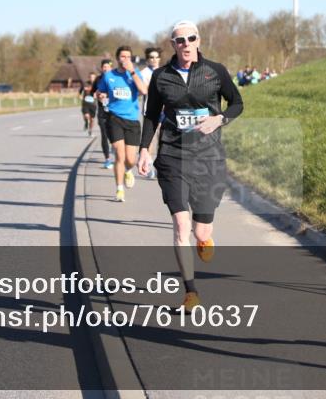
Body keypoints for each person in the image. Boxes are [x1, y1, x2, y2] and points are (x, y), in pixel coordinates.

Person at [138, 21, 243, 311]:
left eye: (190, 38)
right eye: (180, 40)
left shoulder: (215, 71)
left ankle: (204, 239)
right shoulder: (161, 76)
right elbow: (151, 115)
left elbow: (237, 103)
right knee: (181, 225)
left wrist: (219, 119)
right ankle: (190, 291)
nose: (186, 44)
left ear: (198, 40)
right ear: (173, 44)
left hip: (208, 158)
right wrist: (144, 149)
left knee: (201, 232)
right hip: (172, 155)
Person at [96, 46, 148, 202]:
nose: (125, 59)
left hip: (131, 120)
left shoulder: (135, 73)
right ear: (117, 58)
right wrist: (101, 95)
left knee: (130, 160)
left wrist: (132, 71)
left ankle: (128, 171)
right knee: (119, 154)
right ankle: (119, 189)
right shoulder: (109, 76)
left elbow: (144, 90)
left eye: (128, 57)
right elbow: (99, 92)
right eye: (123, 56)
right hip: (114, 118)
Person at [139, 47, 163, 180]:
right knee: (150, 143)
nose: (154, 60)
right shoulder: (143, 73)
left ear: (159, 58)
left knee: (163, 142)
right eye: (151, 57)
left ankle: (160, 168)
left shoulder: (165, 71)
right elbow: (144, 90)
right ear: (147, 59)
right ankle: (149, 167)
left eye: (156, 57)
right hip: (150, 112)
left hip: (165, 112)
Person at [91, 59, 114, 169]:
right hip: (102, 111)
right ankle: (107, 159)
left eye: (107, 67)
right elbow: (92, 92)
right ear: (101, 68)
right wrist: (96, 94)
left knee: (113, 135)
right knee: (104, 135)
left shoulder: (116, 78)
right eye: (104, 67)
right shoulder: (98, 79)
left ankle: (115, 149)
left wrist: (108, 96)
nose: (105, 69)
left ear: (111, 67)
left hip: (114, 111)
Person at [80, 72, 98, 136]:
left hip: (93, 104)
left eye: (93, 77)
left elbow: (100, 92)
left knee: (92, 119)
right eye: (90, 77)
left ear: (95, 78)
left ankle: (90, 130)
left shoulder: (97, 84)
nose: (92, 78)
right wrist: (80, 96)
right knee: (86, 116)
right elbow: (80, 92)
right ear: (89, 77)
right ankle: (86, 123)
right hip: (85, 103)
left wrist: (97, 95)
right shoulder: (85, 84)